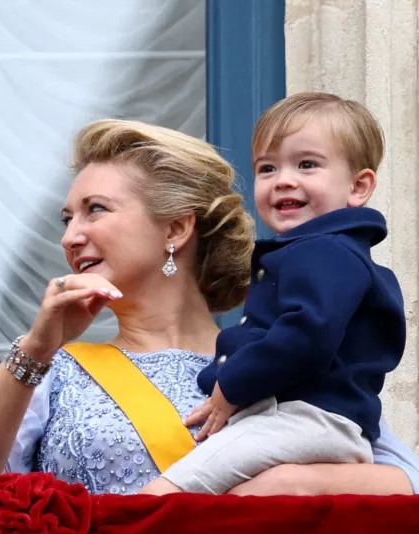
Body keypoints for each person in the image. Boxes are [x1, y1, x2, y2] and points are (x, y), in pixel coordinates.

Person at [0, 118, 419, 497]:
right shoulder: (58, 372)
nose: (71, 237)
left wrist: (289, 482)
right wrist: (37, 349)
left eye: (96, 210)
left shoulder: (278, 357)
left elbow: (404, 482)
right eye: (67, 219)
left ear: (176, 229)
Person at [143, 93, 405, 495]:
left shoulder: (327, 250)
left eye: (307, 164)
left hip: (306, 419)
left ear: (358, 186)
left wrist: (232, 383)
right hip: (313, 421)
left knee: (178, 487)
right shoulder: (321, 251)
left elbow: (306, 335)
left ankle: (132, 521)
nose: (283, 179)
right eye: (267, 168)